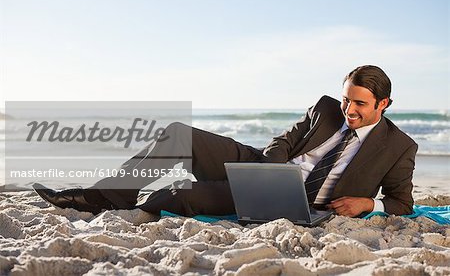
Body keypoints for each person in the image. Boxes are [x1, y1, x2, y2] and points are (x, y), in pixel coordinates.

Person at [33, 65, 418, 218]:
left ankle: (168, 193)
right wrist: (272, 165)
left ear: (384, 103)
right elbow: (285, 140)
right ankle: (105, 196)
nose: (349, 108)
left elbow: (401, 202)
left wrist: (370, 203)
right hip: (263, 168)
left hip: (294, 202)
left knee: (177, 198)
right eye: (347, 98)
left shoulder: (400, 146)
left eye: (360, 104)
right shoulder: (325, 107)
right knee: (179, 135)